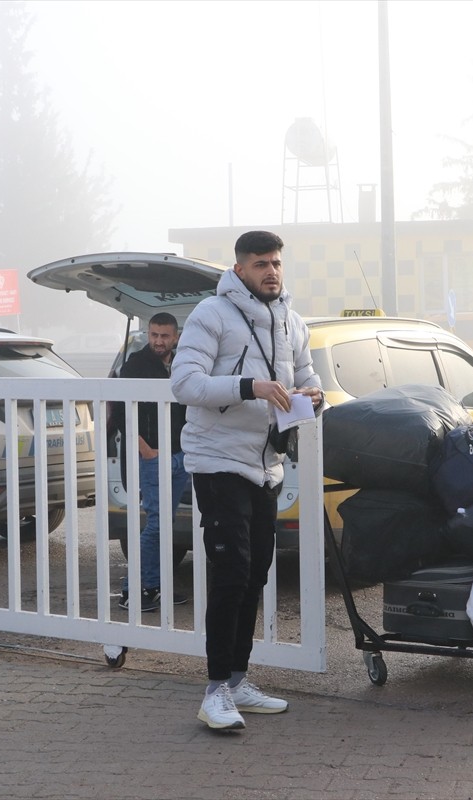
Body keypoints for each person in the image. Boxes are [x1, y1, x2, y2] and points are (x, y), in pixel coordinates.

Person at [171, 230, 324, 731]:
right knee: (231, 573)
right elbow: (185, 384)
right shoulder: (210, 314)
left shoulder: (291, 321)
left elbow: (309, 377)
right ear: (239, 270)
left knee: (256, 573)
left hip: (266, 467)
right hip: (218, 462)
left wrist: (311, 396)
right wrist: (250, 387)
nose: (271, 271)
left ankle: (237, 682)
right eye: (260, 264)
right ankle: (214, 692)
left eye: (276, 262)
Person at [115, 312, 190, 610]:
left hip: (179, 456)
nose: (159, 341)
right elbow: (121, 412)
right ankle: (131, 590)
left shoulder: (182, 364)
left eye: (164, 336)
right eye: (154, 335)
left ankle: (153, 587)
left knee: (164, 525)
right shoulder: (136, 365)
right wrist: (144, 449)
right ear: (148, 334)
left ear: (175, 337)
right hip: (152, 457)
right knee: (157, 524)